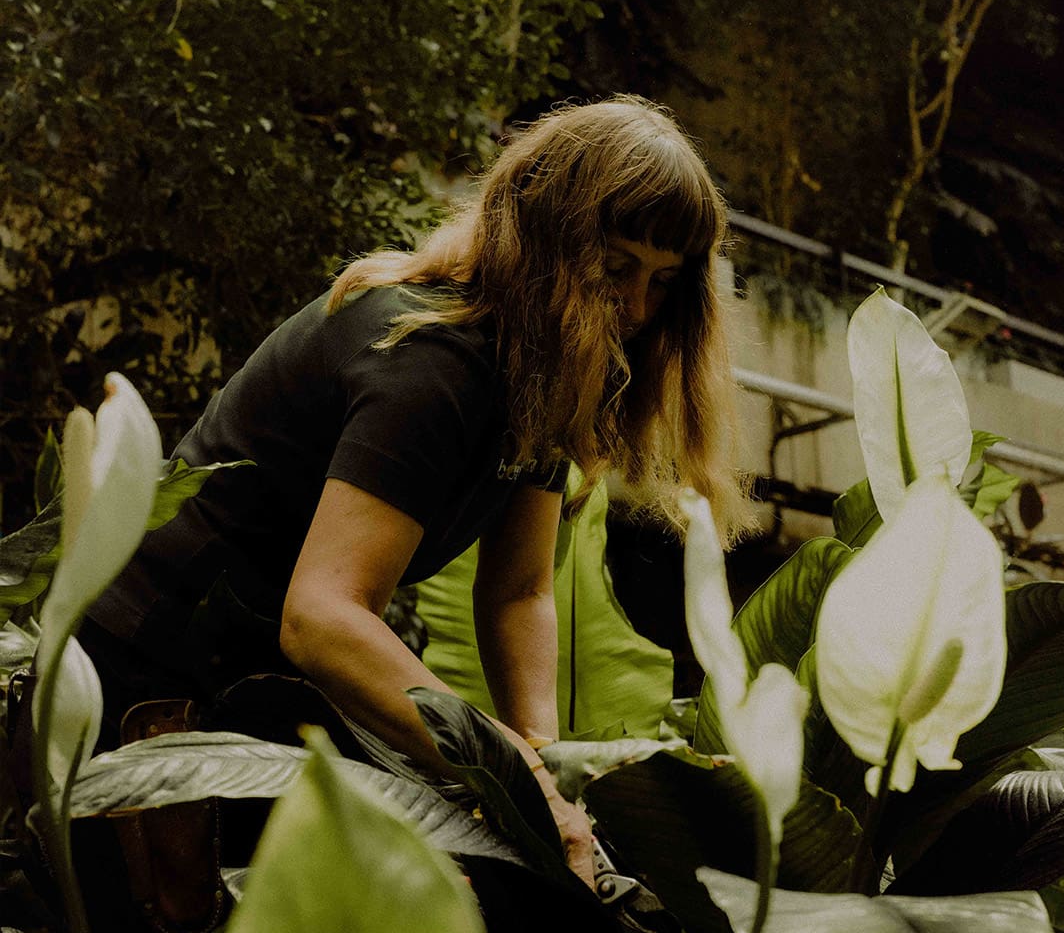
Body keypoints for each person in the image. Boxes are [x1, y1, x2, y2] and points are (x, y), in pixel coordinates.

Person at [79, 94, 753, 889]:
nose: (638, 309)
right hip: (147, 683)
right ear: (545, 244)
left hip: (262, 689)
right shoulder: (431, 362)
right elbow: (323, 616)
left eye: (664, 282)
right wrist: (509, 775)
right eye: (615, 269)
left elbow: (519, 590)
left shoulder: (539, 370)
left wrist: (543, 768)